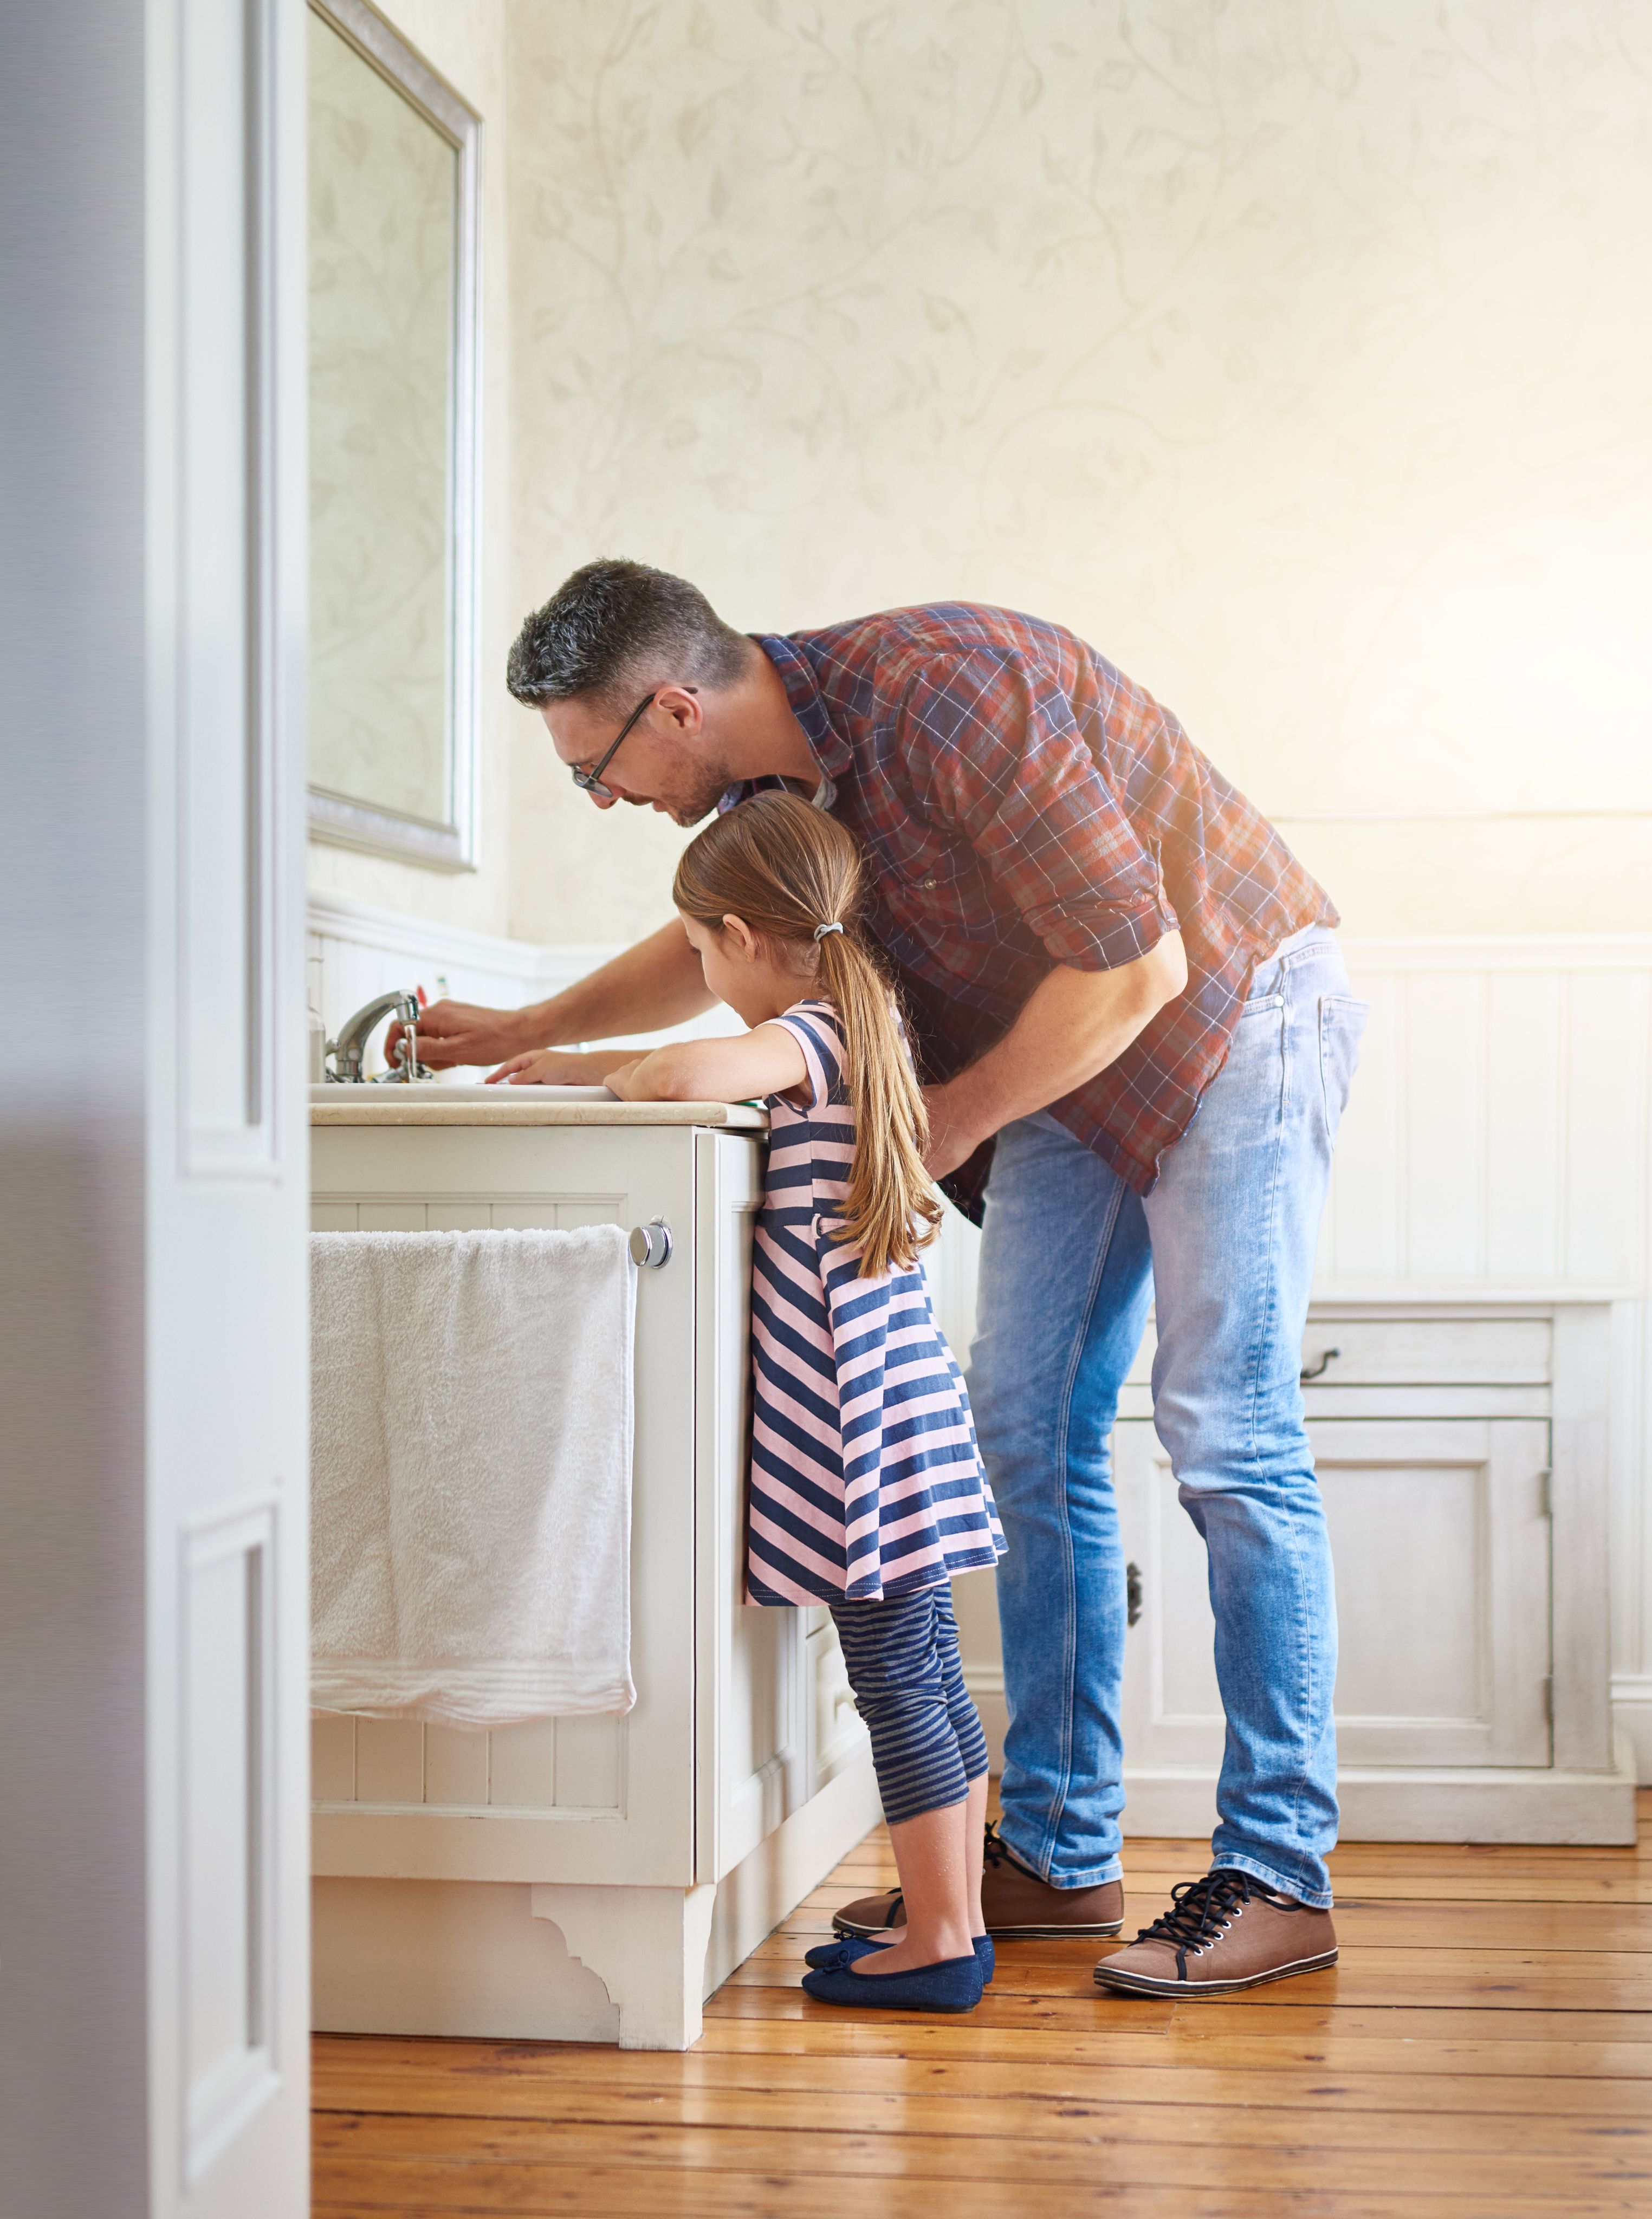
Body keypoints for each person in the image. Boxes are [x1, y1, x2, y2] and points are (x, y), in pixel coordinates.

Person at [409, 558, 1368, 1999]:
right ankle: (1052, 1849)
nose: (602, 800)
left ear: (672, 706)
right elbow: (722, 942)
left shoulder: (943, 697)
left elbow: (1139, 967)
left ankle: (1281, 1872)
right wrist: (523, 1030)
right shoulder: (772, 800)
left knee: (1223, 1436)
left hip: (1231, 1010)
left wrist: (935, 1128)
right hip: (1070, 1052)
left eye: (596, 766)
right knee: (1021, 1433)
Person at [535, 793, 1006, 2014]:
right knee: (928, 1666)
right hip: (892, 1394)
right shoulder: (868, 1019)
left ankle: (943, 1939)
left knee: (897, 1674)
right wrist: (581, 1062)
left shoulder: (806, 1034)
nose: (702, 973)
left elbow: (688, 1071)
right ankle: (947, 1920)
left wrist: (619, 1069)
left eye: (698, 954)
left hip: (845, 1413)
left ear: (742, 934)